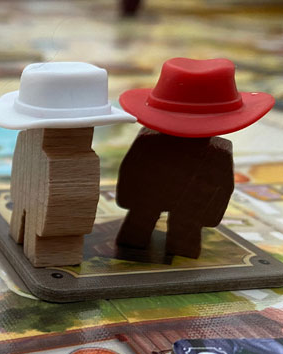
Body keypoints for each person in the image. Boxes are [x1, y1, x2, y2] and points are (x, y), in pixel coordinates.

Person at [116, 57, 274, 259]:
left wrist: (127, 197)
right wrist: (211, 215)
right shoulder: (218, 153)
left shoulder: (149, 142)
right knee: (166, 227)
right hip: (176, 201)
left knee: (154, 224)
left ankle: (146, 241)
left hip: (169, 199)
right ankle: (155, 242)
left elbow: (130, 171)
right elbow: (223, 187)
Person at [0, 62, 135, 267]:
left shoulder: (75, 161)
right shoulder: (31, 145)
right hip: (37, 197)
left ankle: (44, 248)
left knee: (45, 228)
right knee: (28, 216)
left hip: (56, 218)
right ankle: (29, 239)